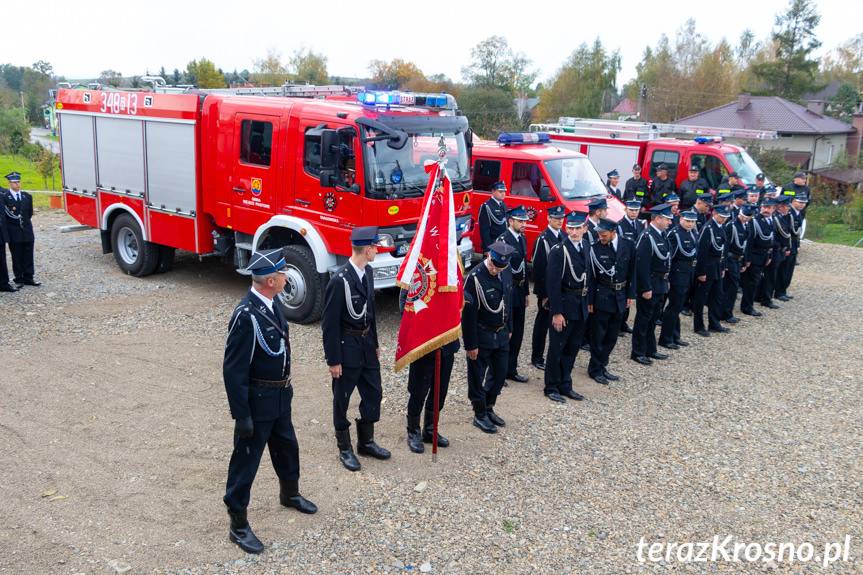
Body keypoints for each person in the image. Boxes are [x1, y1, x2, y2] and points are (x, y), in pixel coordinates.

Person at [222, 249, 317, 555]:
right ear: (272, 281)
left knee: (287, 447)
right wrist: (241, 415)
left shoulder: (271, 304)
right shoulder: (246, 315)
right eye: (283, 274)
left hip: (279, 396)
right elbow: (233, 369)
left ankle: (289, 493)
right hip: (257, 401)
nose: (287, 277)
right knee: (246, 461)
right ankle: (238, 524)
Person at [322, 226, 390, 472]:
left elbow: (370, 313)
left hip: (366, 345)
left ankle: (366, 441)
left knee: (374, 392)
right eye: (375, 247)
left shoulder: (368, 272)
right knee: (342, 398)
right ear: (367, 249)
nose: (377, 250)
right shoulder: (340, 281)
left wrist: (375, 343)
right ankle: (345, 447)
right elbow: (329, 324)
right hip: (347, 347)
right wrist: (333, 360)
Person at [462, 241, 515, 434]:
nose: (495, 269)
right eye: (493, 264)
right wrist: (471, 344)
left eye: (499, 267)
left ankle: (489, 406)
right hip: (482, 333)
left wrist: (509, 327)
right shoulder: (475, 278)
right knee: (477, 377)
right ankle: (479, 413)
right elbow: (468, 315)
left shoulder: (505, 272)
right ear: (488, 257)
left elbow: (508, 301)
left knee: (500, 373)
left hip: (500, 332)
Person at [399, 289, 459, 454]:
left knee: (440, 390)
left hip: (446, 341)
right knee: (419, 390)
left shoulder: (451, 269)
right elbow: (405, 305)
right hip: (424, 342)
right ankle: (413, 430)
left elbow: (459, 295)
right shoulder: (419, 267)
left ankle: (430, 429)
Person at [544, 211, 591, 403]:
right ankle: (551, 386)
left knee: (572, 347)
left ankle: (565, 383)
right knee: (557, 348)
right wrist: (556, 312)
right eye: (570, 228)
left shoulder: (586, 246)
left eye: (578, 228)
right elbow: (552, 284)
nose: (573, 232)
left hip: (580, 305)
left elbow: (589, 277)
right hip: (564, 305)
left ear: (585, 229)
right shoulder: (559, 250)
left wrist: (588, 303)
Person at [586, 218, 636, 385]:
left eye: (604, 234)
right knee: (598, 335)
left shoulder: (627, 245)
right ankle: (594, 368)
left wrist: (630, 294)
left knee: (612, 335)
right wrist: (590, 300)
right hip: (602, 295)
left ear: (613, 232)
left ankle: (602, 364)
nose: (601, 237)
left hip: (620, 295)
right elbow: (591, 277)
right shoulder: (595, 249)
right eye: (599, 234)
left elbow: (632, 271)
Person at [631, 203, 673, 365]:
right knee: (644, 318)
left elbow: (665, 260)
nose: (670, 222)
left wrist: (666, 280)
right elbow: (642, 266)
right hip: (650, 283)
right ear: (657, 219)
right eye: (667, 219)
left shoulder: (661, 235)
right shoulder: (647, 236)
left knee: (653, 317)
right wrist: (646, 287)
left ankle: (650, 349)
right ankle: (638, 352)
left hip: (660, 282)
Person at [496, 205, 530, 383]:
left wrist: (525, 293)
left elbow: (522, 267)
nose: (524, 223)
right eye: (520, 220)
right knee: (505, 331)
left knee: (518, 332)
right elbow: (500, 270)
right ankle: (499, 372)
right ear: (510, 221)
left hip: (519, 289)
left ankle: (511, 368)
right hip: (507, 291)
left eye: (525, 220)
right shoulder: (503, 239)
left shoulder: (521, 238)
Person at [530, 205, 566, 370]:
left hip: (559, 290)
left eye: (561, 218)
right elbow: (538, 269)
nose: (559, 221)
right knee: (542, 324)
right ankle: (537, 356)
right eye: (556, 218)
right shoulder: (543, 239)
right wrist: (543, 294)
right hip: (546, 291)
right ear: (548, 219)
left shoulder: (564, 236)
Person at [658, 210, 698, 349]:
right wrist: (668, 277)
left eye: (692, 221)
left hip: (687, 274)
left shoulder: (692, 233)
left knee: (679, 306)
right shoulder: (674, 234)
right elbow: (669, 258)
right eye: (688, 221)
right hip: (677, 275)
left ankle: (675, 335)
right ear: (681, 219)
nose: (690, 224)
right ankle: (666, 338)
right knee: (673, 307)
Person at [692, 205, 730, 337]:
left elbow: (723, 250)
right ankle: (699, 325)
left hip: (717, 267)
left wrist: (723, 266)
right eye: (721, 216)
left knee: (717, 296)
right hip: (707, 268)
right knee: (701, 298)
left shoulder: (721, 228)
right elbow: (701, 252)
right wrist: (701, 272)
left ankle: (714, 323)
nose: (723, 219)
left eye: (725, 217)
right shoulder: (708, 228)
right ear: (714, 214)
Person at [740, 198, 777, 317]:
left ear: (773, 209)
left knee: (756, 282)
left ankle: (752, 303)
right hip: (755, 256)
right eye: (764, 207)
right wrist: (747, 259)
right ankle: (747, 307)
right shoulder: (755, 221)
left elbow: (771, 240)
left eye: (768, 207)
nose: (765, 210)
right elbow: (749, 242)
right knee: (750, 283)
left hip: (764, 255)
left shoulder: (771, 220)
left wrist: (769, 255)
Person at [2, 172, 39, 287]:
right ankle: (19, 278)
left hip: (27, 230)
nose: (17, 184)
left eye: (18, 182)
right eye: (14, 182)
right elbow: (6, 217)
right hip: (14, 231)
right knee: (17, 255)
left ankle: (29, 277)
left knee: (28, 254)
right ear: (9, 183)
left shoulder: (27, 196)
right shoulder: (4, 197)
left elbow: (28, 214)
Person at [721, 203, 753, 324]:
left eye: (748, 217)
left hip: (738, 259)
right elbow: (726, 246)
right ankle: (726, 313)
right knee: (730, 287)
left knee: (733, 288)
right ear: (740, 214)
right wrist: (724, 264)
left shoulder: (746, 226)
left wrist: (744, 262)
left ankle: (727, 312)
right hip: (730, 259)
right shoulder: (731, 226)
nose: (745, 218)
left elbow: (744, 246)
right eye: (743, 216)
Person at [616, 200, 644, 335]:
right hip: (625, 264)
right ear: (626, 209)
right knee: (624, 293)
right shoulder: (620, 225)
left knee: (631, 293)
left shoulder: (640, 224)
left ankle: (624, 322)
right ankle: (619, 323)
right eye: (631, 210)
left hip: (637, 263)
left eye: (636, 210)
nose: (634, 213)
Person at [776, 194, 808, 300]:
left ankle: (783, 289)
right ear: (793, 202)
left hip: (793, 244)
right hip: (787, 244)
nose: (802, 205)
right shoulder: (789, 213)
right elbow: (788, 232)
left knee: (789, 269)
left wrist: (797, 245)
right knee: (784, 269)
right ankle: (779, 291)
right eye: (799, 202)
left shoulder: (798, 213)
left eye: (803, 203)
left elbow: (797, 233)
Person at [764, 195, 793, 305]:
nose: (788, 208)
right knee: (770, 275)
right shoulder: (776, 218)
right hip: (775, 250)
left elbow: (787, 233)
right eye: (786, 206)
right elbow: (776, 236)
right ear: (780, 207)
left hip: (780, 250)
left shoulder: (782, 217)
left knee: (775, 274)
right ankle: (767, 298)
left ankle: (770, 295)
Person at [478, 181, 508, 254]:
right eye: (500, 191)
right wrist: (487, 248)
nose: (503, 194)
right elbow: (484, 230)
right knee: (493, 264)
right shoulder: (487, 206)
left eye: (504, 191)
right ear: (493, 191)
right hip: (493, 242)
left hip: (502, 241)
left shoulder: (503, 205)